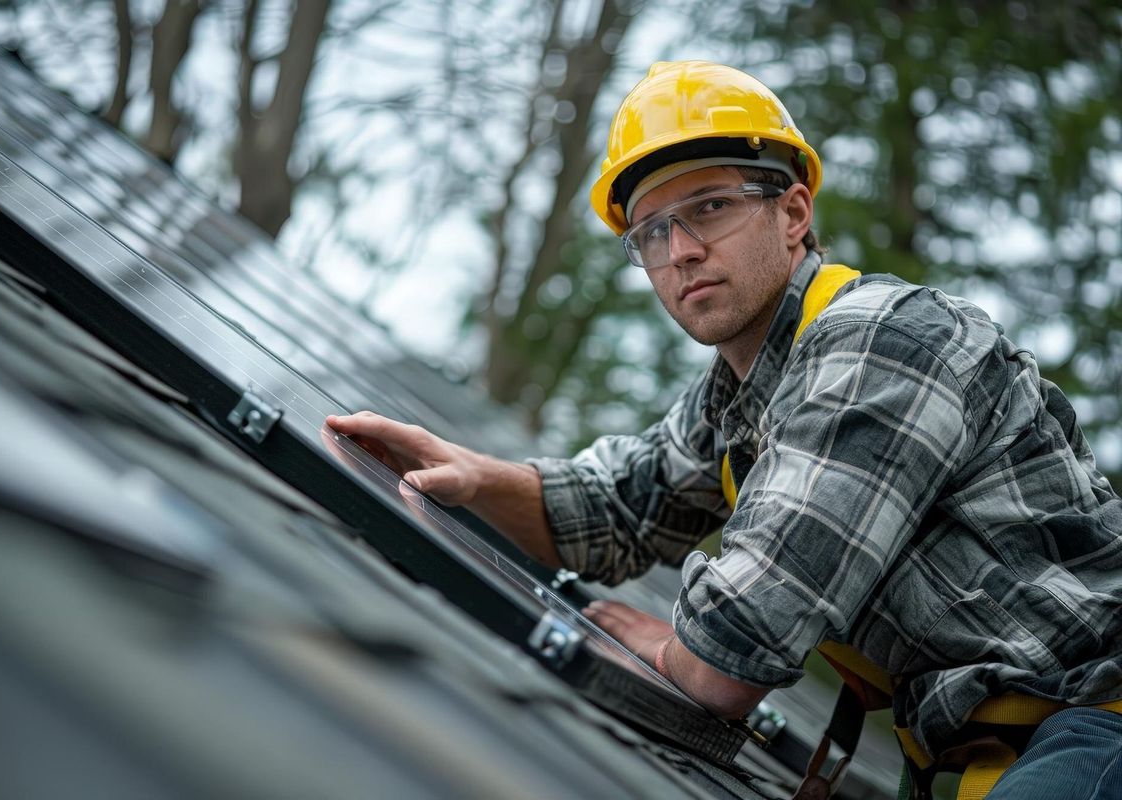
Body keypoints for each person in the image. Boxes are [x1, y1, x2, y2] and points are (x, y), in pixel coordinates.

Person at [325, 61, 1122, 798]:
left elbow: (733, 656)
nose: (682, 251)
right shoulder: (736, 401)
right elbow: (614, 511)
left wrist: (662, 648)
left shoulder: (886, 342)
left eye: (710, 207)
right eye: (652, 233)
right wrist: (472, 475)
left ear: (793, 213)